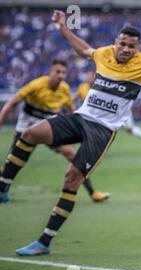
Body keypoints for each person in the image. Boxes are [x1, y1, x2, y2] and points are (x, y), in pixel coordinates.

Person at [0, 10, 141, 257]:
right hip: (81, 118)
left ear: (138, 48)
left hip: (102, 131)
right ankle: (4, 185)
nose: (125, 49)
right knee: (29, 133)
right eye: (122, 43)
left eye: (131, 46)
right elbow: (84, 51)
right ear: (115, 42)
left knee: (71, 179)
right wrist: (62, 28)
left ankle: (44, 242)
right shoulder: (103, 54)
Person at [0, 59, 109, 203]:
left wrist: (80, 130)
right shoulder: (36, 85)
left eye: (64, 72)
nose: (61, 75)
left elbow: (72, 112)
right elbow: (12, 102)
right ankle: (3, 190)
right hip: (26, 129)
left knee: (72, 154)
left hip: (47, 128)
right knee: (13, 161)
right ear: (50, 72)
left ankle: (93, 193)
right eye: (57, 72)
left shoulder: (64, 89)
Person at [74, 70, 141, 144]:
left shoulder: (101, 86)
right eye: (88, 77)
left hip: (119, 111)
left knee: (130, 130)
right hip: (100, 114)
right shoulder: (82, 87)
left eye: (91, 77)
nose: (89, 79)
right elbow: (75, 97)